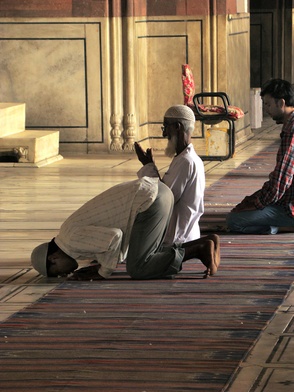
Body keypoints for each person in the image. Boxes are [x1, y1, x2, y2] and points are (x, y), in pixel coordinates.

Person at [31, 177, 220, 281]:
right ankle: (205, 242)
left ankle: (197, 250)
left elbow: (115, 237)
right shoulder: (67, 233)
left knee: (138, 268)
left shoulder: (71, 241)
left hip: (150, 201)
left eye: (58, 271)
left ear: (53, 258)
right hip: (157, 194)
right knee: (142, 254)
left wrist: (102, 272)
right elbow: (115, 244)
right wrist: (104, 263)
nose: (65, 274)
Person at [226, 78, 294, 234]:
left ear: (281, 103)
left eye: (268, 104)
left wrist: (256, 203)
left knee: (234, 221)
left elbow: (280, 182)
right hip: (287, 199)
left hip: (290, 207)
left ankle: (281, 227)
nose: (266, 109)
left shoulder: (292, 130)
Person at [135, 104, 205, 245]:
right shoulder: (186, 158)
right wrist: (151, 167)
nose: (164, 133)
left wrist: (148, 166)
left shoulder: (186, 161)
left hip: (177, 237)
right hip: (184, 233)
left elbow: (162, 200)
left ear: (178, 127)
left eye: (166, 127)